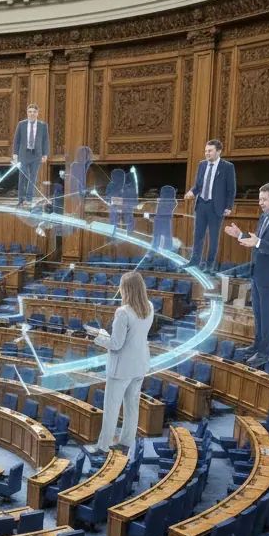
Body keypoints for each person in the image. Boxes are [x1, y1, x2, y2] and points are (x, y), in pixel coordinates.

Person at [225, 182, 269, 367]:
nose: (261, 203)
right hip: (257, 272)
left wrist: (258, 243)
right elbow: (256, 241)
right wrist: (239, 235)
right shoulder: (265, 217)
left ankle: (265, 353)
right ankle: (256, 346)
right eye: (260, 199)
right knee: (258, 313)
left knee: (268, 315)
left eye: (264, 199)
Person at [88, 271, 154, 458]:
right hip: (140, 365)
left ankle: (103, 447)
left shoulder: (123, 312)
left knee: (111, 409)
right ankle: (125, 443)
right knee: (132, 407)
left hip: (121, 368)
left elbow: (116, 344)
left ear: (126, 289)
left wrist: (98, 336)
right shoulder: (149, 306)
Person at [186, 139, 236, 271]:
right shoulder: (202, 165)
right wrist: (191, 192)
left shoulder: (227, 167)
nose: (207, 153)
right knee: (198, 236)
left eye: (210, 151)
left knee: (213, 238)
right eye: (205, 151)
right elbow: (198, 185)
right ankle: (194, 261)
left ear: (218, 151)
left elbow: (231, 189)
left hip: (216, 207)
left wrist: (229, 206)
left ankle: (209, 265)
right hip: (201, 204)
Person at [12, 104, 49, 206]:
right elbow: (17, 140)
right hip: (23, 154)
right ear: (27, 113)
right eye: (30, 111)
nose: (32, 113)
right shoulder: (21, 124)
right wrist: (15, 154)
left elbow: (45, 141)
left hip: (36, 155)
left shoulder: (43, 125)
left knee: (33, 177)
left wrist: (45, 154)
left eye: (34, 112)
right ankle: (21, 199)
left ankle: (29, 199)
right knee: (22, 176)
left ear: (37, 113)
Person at [152, 185, 177, 250]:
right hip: (165, 219)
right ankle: (166, 248)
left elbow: (159, 210)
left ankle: (156, 247)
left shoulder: (162, 201)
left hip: (160, 219)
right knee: (166, 236)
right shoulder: (172, 201)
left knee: (158, 236)